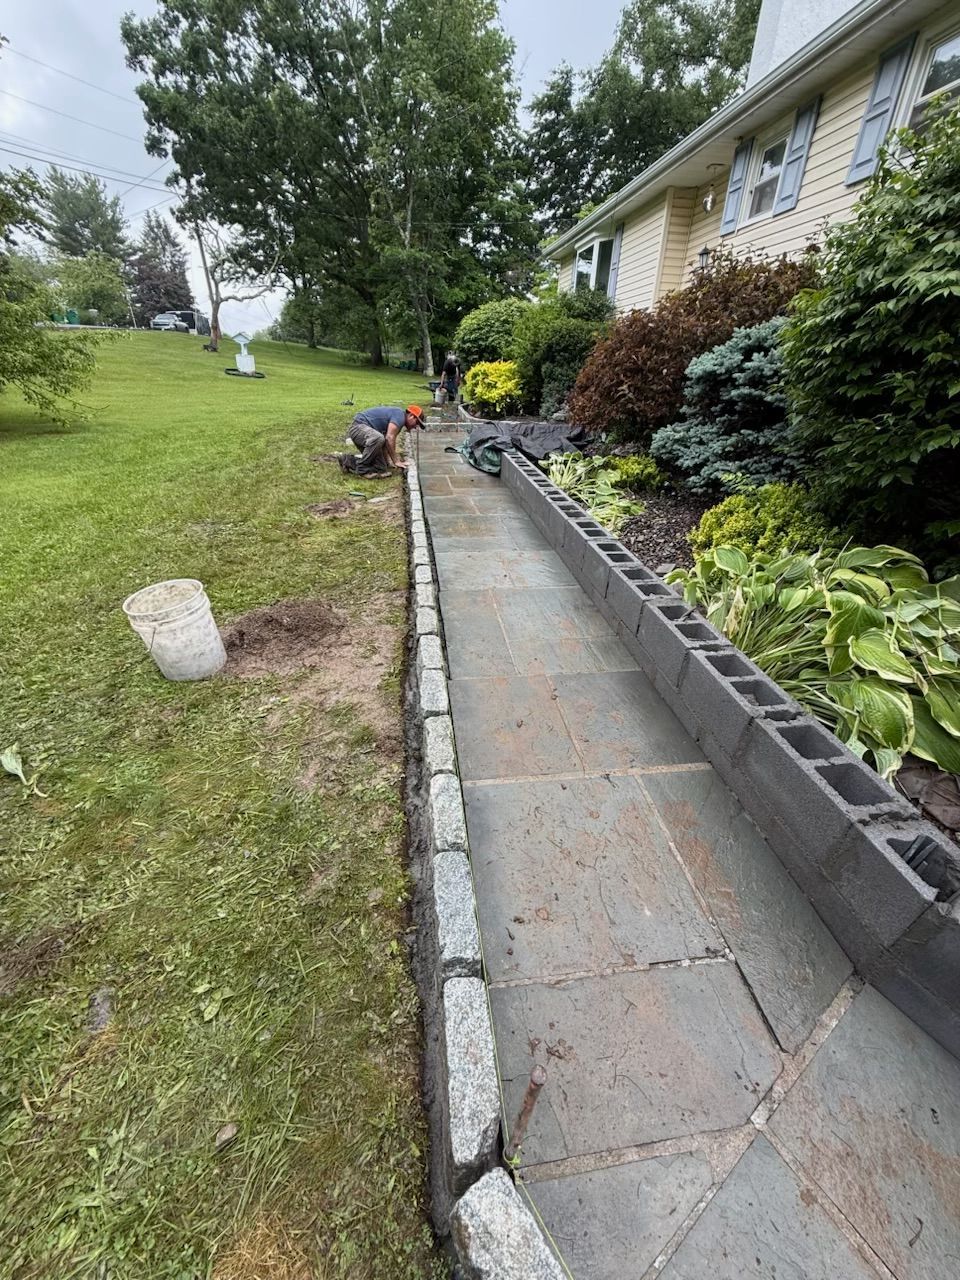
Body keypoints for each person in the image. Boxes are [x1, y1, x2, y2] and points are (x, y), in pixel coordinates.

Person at [338, 404, 425, 476]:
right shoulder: (400, 416)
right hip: (359, 427)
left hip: (369, 435)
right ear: (411, 416)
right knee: (378, 438)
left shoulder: (399, 421)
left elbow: (386, 444)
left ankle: (347, 460)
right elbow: (389, 438)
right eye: (417, 423)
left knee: (381, 467)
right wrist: (396, 461)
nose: (416, 427)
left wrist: (387, 463)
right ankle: (362, 468)